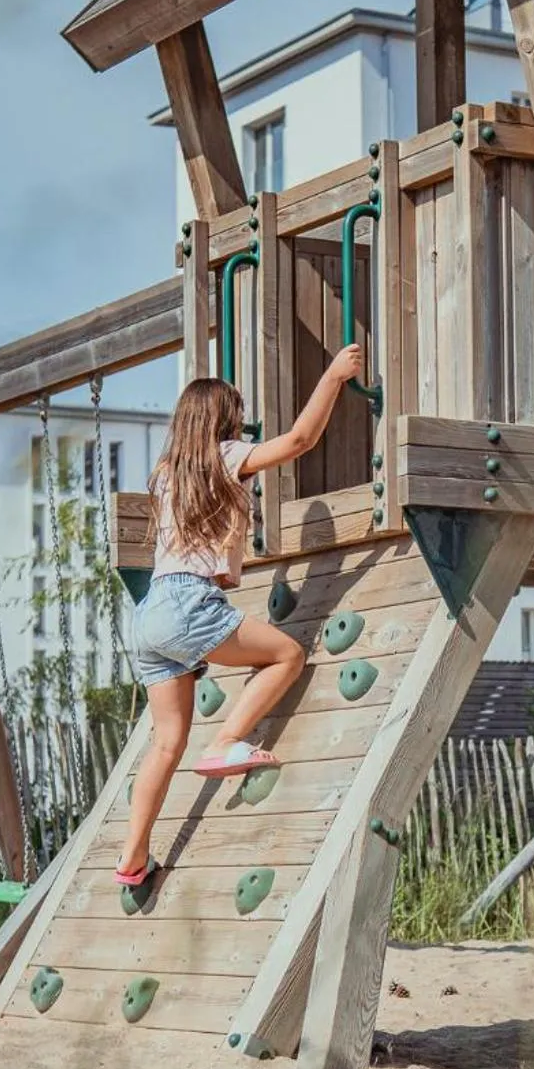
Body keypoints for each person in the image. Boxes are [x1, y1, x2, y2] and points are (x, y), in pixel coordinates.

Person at [114, 344, 367, 885]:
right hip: (186, 601)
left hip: (149, 612)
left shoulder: (165, 474)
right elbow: (300, 440)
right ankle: (227, 739)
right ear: (221, 422)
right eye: (236, 416)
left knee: (165, 742)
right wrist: (334, 377)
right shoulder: (225, 457)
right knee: (286, 655)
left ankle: (132, 857)